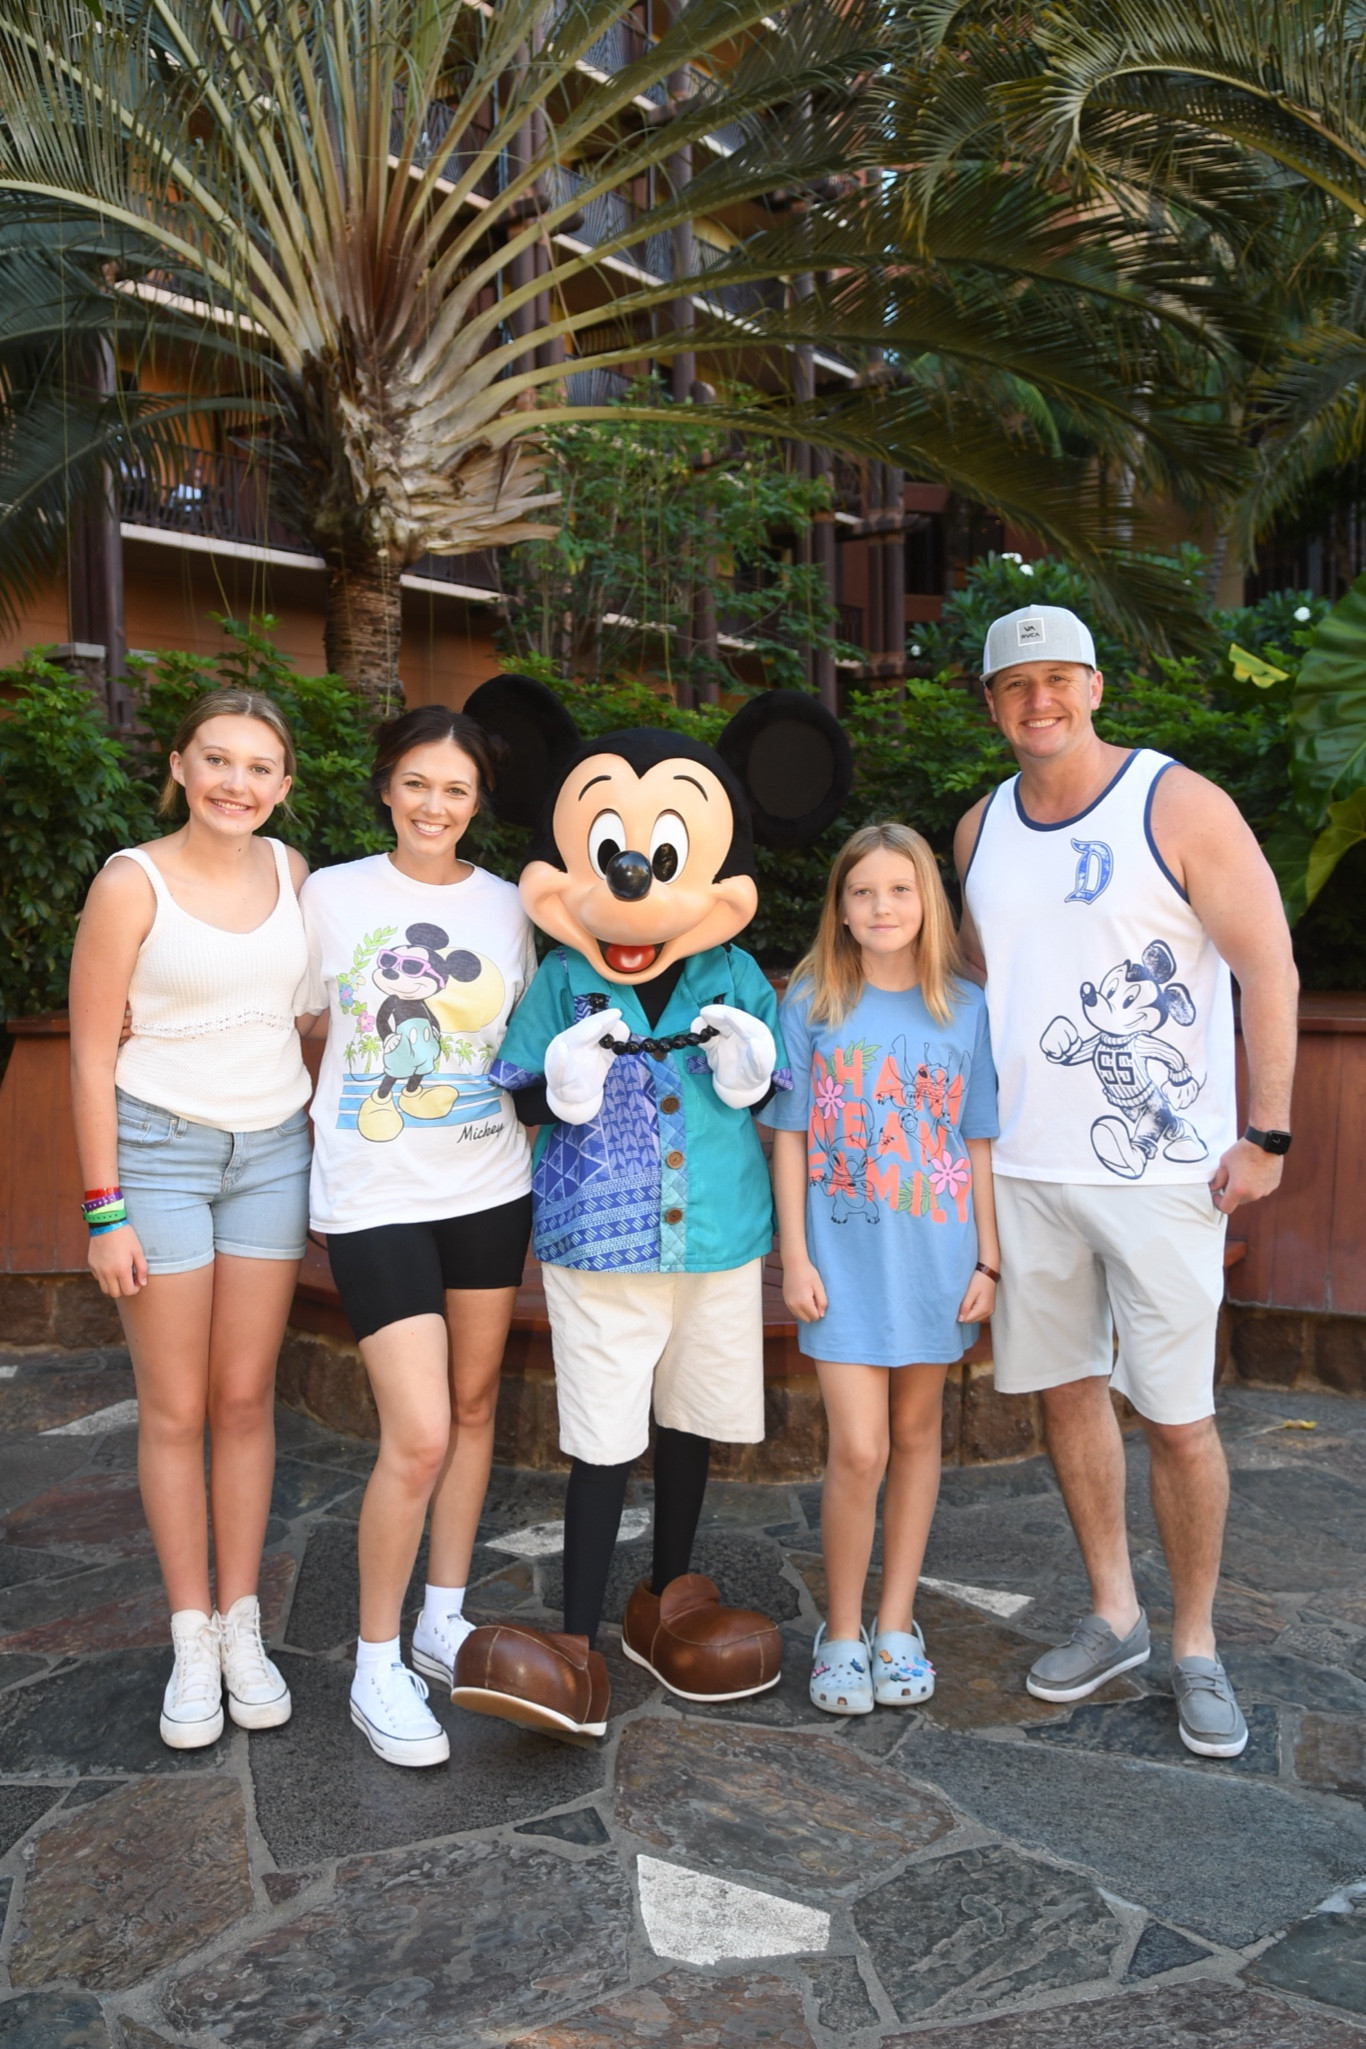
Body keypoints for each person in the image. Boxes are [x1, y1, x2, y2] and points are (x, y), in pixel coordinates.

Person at [957, 603, 1298, 1759]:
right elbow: (970, 989)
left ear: (1095, 687)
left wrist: (1270, 1135)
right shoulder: (977, 830)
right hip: (1029, 1169)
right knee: (1064, 1393)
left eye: (1057, 679)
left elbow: (1269, 967)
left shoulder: (1178, 803)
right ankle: (1114, 1613)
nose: (1037, 702)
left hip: (1163, 1174)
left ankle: (1195, 1645)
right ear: (991, 704)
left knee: (1179, 1418)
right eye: (1014, 686)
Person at [69, 689, 311, 1749]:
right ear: (178, 765)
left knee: (246, 1397)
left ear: (284, 784)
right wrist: (103, 1209)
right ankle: (189, 1635)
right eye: (217, 760)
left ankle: (241, 1623)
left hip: (274, 1154)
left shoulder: (296, 874)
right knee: (173, 1408)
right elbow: (86, 1054)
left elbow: (307, 1010)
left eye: (259, 767)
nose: (236, 783)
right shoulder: (133, 882)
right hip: (159, 1156)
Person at [297, 705, 536, 1768]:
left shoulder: (509, 905)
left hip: (489, 1182)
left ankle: (444, 1616)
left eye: (456, 788)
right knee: (422, 1433)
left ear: (478, 800)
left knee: (478, 1406)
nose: (435, 805)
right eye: (417, 783)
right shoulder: (332, 895)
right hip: (375, 1191)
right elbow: (300, 1019)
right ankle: (375, 1657)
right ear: (385, 786)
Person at [763, 823, 999, 1716]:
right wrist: (794, 1256)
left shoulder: (963, 1007)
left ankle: (899, 1621)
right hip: (842, 1264)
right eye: (863, 891)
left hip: (939, 1261)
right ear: (841, 906)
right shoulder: (815, 1000)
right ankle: (845, 1627)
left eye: (900, 890)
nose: (882, 907)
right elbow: (788, 1138)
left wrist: (990, 1256)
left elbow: (975, 1141)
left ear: (927, 902)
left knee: (918, 1436)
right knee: (858, 1449)